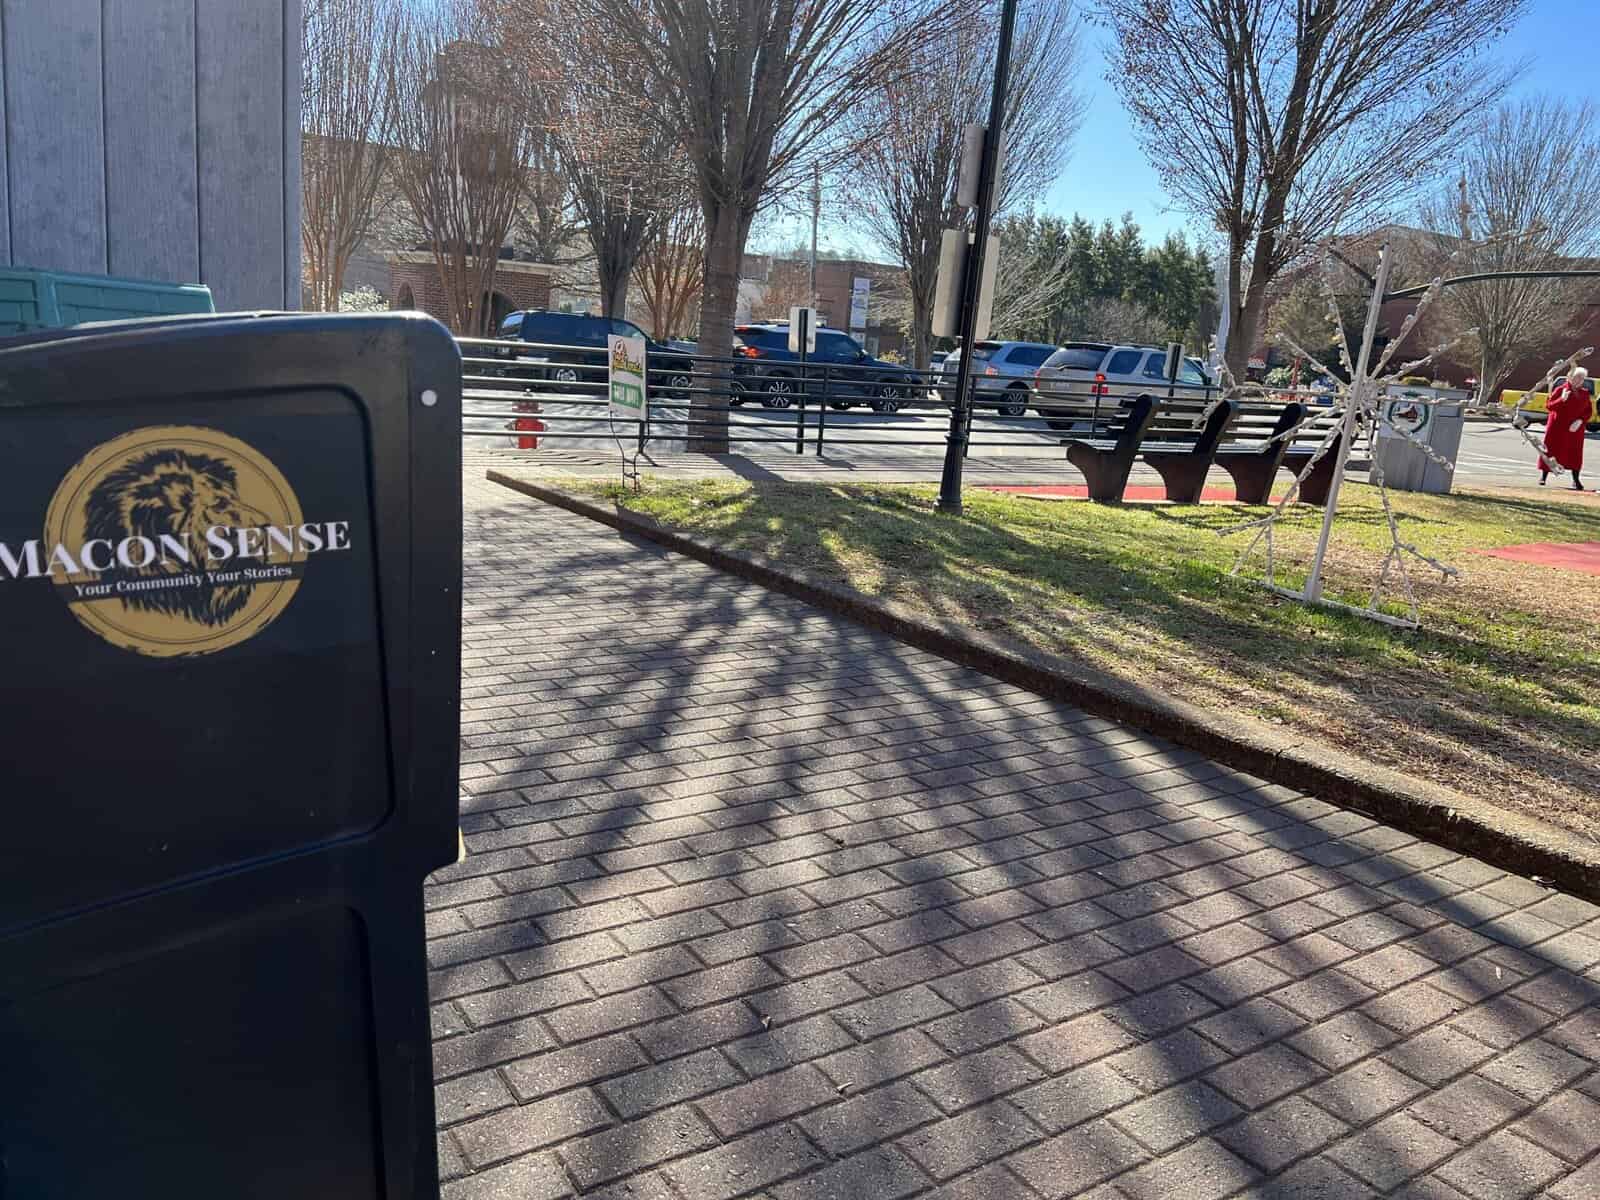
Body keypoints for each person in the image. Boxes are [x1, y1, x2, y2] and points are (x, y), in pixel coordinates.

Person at [1538, 367, 1590, 490]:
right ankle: (1543, 476)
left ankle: (1576, 479)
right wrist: (1562, 399)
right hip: (1557, 427)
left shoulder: (1585, 393)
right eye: (1577, 377)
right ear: (1570, 377)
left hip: (1575, 429)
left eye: (1582, 378)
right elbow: (1549, 406)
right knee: (1551, 450)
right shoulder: (1560, 389)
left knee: (1575, 453)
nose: (1579, 381)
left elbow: (1588, 411)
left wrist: (1581, 420)